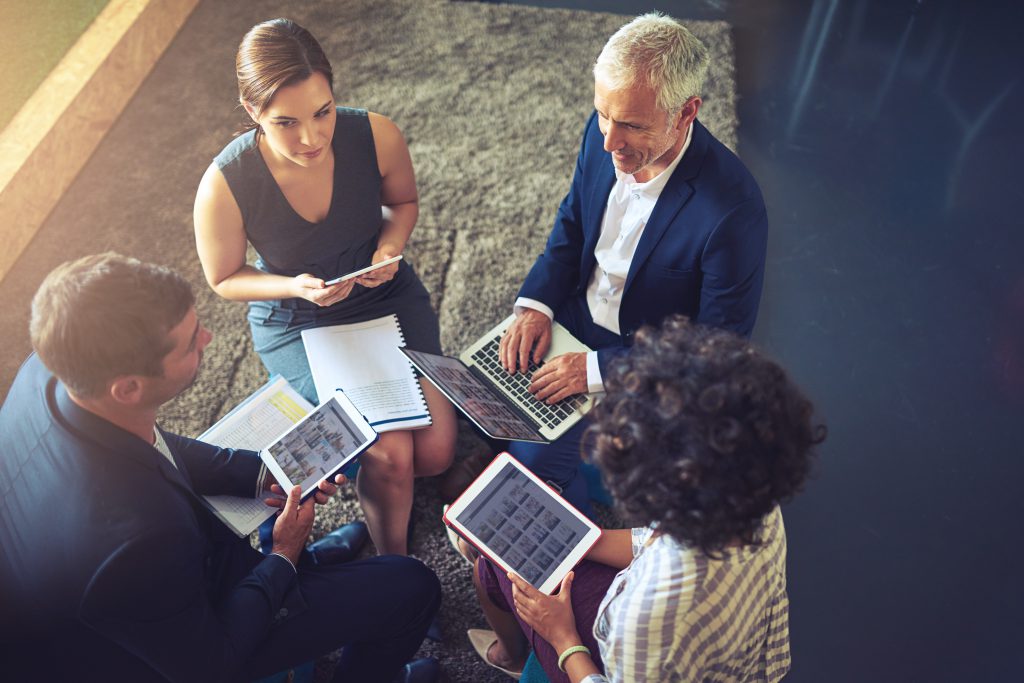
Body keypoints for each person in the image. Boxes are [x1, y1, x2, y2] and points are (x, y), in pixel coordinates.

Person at [0, 253, 441, 683]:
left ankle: (298, 570)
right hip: (153, 649)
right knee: (410, 587)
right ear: (128, 388)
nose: (209, 338)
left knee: (274, 511)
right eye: (191, 341)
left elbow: (154, 446)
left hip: (126, 589)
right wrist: (283, 557)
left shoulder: (50, 372)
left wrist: (261, 472)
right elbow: (210, 663)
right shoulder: (137, 536)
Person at [193, 18, 456, 556]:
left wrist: (388, 250)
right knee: (392, 455)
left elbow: (401, 205)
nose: (310, 138)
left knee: (433, 455)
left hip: (385, 293)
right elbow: (223, 278)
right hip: (298, 318)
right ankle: (394, 566)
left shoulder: (376, 133)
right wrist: (294, 286)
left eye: (323, 112)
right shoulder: (225, 182)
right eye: (285, 122)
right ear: (253, 113)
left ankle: (350, 452)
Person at [497, 13, 769, 513]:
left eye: (631, 125)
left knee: (527, 479)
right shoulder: (605, 131)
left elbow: (714, 352)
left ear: (686, 112)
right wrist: (535, 304)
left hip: (643, 359)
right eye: (603, 114)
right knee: (485, 399)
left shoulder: (733, 211)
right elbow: (573, 223)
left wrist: (598, 371)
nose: (608, 142)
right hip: (572, 320)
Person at [470, 315, 823, 681]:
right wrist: (585, 540)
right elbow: (659, 541)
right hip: (741, 655)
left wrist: (564, 638)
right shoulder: (751, 488)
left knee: (493, 562)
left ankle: (511, 657)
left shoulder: (645, 616)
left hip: (628, 655)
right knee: (514, 549)